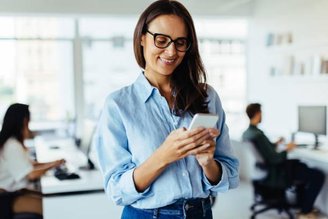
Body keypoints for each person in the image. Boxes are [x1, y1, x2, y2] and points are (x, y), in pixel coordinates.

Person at [94, 1, 239, 218]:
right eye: (161, 40)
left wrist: (208, 163)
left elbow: (231, 174)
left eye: (180, 43)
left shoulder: (206, 96)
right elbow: (116, 190)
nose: (171, 52)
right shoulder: (118, 105)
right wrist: (163, 156)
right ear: (142, 38)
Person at [242, 103, 325, 219]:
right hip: (276, 172)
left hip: (266, 170)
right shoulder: (258, 135)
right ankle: (305, 211)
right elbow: (275, 158)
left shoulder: (249, 133)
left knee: (303, 167)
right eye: (261, 112)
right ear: (258, 113)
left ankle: (303, 205)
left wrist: (276, 143)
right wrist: (288, 149)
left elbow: (266, 150)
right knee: (317, 175)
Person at [0, 103, 65, 216]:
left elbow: (31, 164)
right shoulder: (12, 146)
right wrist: (52, 166)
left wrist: (54, 163)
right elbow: (31, 175)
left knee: (52, 199)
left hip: (14, 193)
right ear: (24, 121)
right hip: (5, 198)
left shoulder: (13, 143)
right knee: (52, 206)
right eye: (28, 121)